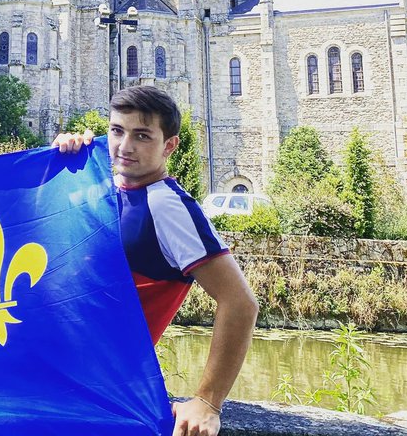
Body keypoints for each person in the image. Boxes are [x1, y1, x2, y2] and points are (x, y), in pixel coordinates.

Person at [54, 85, 258, 436]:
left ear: (169, 145)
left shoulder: (167, 206)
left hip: (104, 395)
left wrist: (207, 402)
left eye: (142, 135)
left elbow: (240, 302)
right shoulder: (106, 186)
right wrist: (70, 154)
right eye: (117, 131)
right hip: (56, 382)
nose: (125, 145)